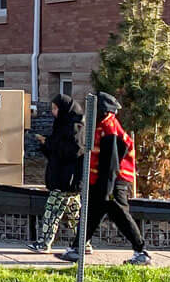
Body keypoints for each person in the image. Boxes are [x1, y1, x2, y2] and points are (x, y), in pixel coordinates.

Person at [60, 92, 152, 265]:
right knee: (91, 214)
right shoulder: (103, 126)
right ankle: (76, 249)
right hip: (102, 180)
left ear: (102, 110)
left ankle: (141, 252)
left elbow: (111, 164)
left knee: (120, 215)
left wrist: (107, 190)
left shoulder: (110, 130)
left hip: (114, 181)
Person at [30, 93, 84, 254]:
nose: (53, 112)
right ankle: (83, 243)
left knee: (52, 210)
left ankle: (44, 242)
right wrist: (46, 144)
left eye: (55, 108)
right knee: (74, 213)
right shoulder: (61, 126)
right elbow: (55, 151)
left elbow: (72, 151)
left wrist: (50, 143)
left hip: (66, 178)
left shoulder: (75, 127)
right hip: (65, 178)